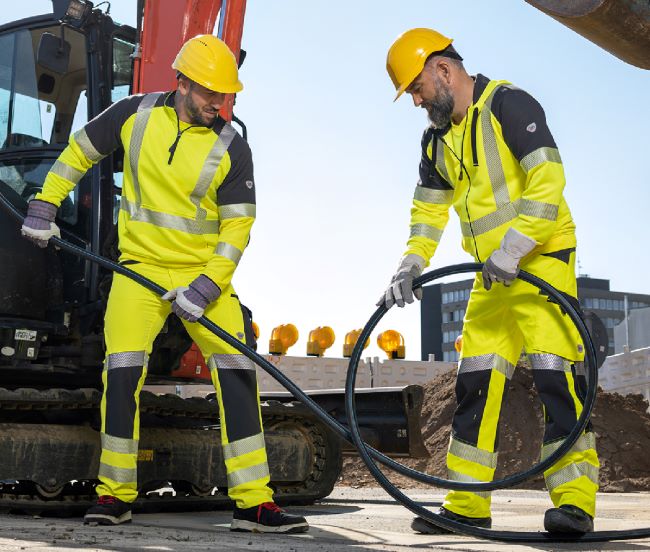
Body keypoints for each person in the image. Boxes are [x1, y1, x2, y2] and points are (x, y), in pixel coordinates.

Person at [20, 34, 308, 534]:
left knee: (237, 370)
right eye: (209, 94)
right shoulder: (133, 115)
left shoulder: (232, 147)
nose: (219, 105)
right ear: (182, 82)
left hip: (203, 277)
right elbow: (80, 152)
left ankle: (254, 503)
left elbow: (238, 230)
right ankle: (114, 495)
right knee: (122, 372)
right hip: (140, 269)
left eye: (224, 96)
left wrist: (207, 288)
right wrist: (46, 202)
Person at [380, 28, 599, 535]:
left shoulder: (508, 103)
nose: (415, 101)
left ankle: (575, 505)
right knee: (475, 384)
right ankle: (466, 505)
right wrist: (409, 265)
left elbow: (548, 182)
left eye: (415, 88)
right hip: (491, 276)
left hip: (542, 262)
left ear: (443, 69)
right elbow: (426, 215)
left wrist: (515, 248)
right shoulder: (436, 141)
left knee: (556, 378)